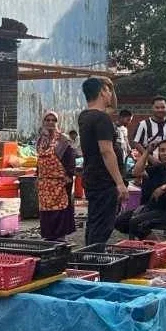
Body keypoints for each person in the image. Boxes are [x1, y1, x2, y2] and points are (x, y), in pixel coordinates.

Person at [77, 77, 127, 245]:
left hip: (92, 177)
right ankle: (94, 256)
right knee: (102, 226)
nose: (110, 94)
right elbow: (106, 152)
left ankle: (89, 254)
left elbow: (113, 107)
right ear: (102, 93)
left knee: (95, 223)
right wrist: (119, 183)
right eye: (108, 90)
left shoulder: (85, 116)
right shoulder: (101, 119)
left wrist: (110, 85)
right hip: (104, 180)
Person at [114, 138, 166, 238]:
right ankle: (152, 241)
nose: (165, 153)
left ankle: (153, 244)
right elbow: (136, 172)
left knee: (136, 222)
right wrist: (147, 152)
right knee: (120, 221)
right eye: (162, 150)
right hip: (148, 208)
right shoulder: (159, 167)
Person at [36, 111, 76, 241]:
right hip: (44, 183)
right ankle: (48, 237)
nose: (50, 122)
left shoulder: (63, 140)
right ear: (44, 122)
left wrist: (69, 176)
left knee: (60, 210)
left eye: (54, 120)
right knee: (46, 210)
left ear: (58, 123)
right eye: (47, 120)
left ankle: (60, 238)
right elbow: (39, 160)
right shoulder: (41, 140)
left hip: (60, 182)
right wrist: (38, 176)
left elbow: (70, 158)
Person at [116, 109, 133, 175]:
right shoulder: (112, 127)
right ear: (121, 118)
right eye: (128, 120)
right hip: (116, 156)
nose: (129, 122)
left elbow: (126, 140)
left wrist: (129, 148)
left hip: (124, 155)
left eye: (130, 120)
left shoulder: (124, 129)